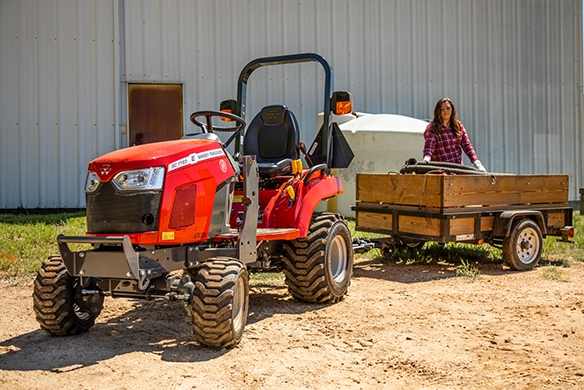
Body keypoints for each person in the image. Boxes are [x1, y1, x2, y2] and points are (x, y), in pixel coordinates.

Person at [422, 97, 486, 172]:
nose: (445, 111)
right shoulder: (433, 128)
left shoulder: (458, 126)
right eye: (442, 109)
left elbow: (467, 145)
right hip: (440, 170)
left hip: (457, 169)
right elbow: (429, 146)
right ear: (438, 111)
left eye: (447, 108)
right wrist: (427, 158)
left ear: (452, 110)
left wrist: (476, 162)